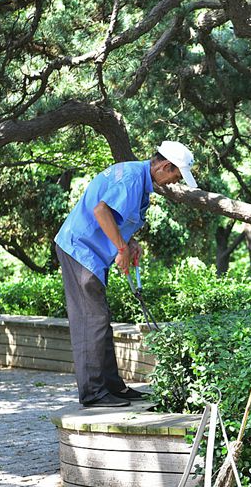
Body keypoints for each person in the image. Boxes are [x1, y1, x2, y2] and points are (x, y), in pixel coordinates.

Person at [54, 141, 198, 407]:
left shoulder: (138, 180)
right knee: (92, 320)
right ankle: (93, 393)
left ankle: (112, 386)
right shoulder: (133, 179)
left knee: (99, 318)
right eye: (175, 176)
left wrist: (129, 243)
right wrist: (121, 246)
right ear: (164, 166)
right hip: (80, 250)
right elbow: (101, 211)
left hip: (90, 252)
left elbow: (117, 218)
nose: (173, 183)